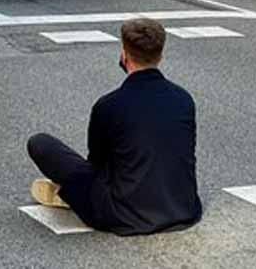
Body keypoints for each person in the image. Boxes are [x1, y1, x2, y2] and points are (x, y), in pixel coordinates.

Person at [25, 18, 202, 236]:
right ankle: (73, 193)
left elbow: (97, 163)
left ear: (124, 55)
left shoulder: (109, 105)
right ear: (160, 56)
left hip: (124, 214)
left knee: (41, 143)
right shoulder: (184, 99)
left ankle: (70, 194)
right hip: (182, 208)